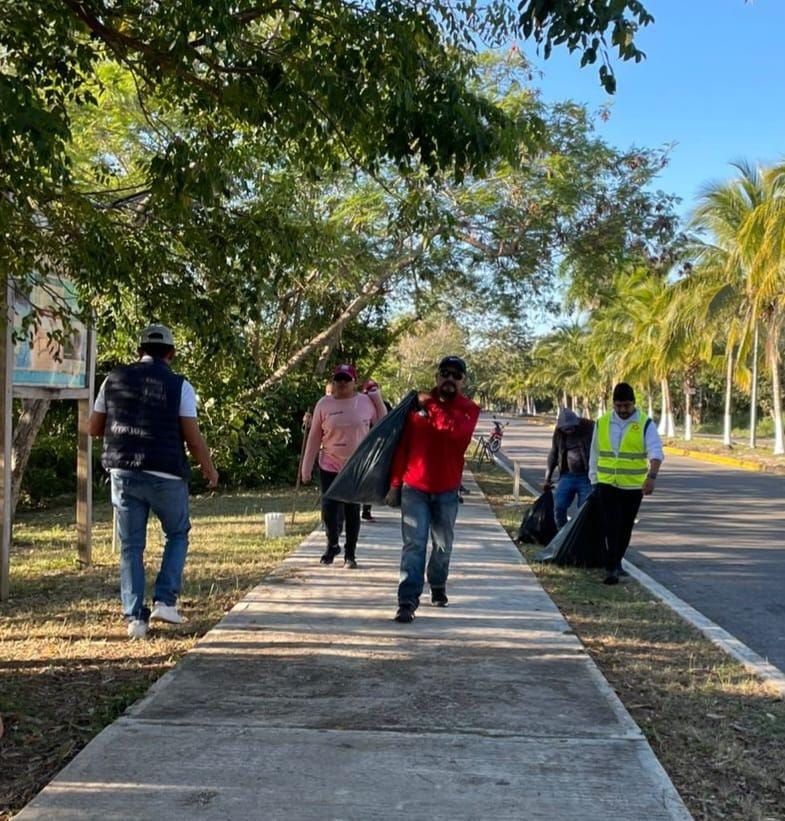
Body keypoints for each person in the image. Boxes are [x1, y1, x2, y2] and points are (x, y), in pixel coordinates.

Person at [88, 324, 218, 640]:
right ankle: (165, 600)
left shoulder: (112, 379)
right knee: (177, 532)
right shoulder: (180, 386)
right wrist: (209, 469)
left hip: (123, 472)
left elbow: (93, 427)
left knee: (131, 546)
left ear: (139, 351)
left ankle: (134, 619)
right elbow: (192, 435)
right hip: (166, 473)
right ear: (171, 354)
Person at [386, 355, 480, 623]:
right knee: (414, 545)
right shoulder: (416, 408)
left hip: (447, 491)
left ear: (463, 381)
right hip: (414, 488)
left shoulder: (469, 410)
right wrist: (395, 485)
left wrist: (429, 404)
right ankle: (407, 601)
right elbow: (402, 447)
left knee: (442, 545)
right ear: (437, 376)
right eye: (445, 373)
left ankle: (437, 584)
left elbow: (450, 431)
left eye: (456, 375)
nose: (449, 379)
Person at [302, 364, 387, 568]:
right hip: (329, 462)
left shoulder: (365, 402)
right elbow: (314, 437)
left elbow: (383, 423)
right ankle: (332, 544)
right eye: (337, 379)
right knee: (329, 509)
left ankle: (350, 554)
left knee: (351, 509)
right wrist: (306, 467)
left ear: (354, 382)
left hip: (356, 465)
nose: (341, 383)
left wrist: (377, 398)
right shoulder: (324, 404)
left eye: (345, 380)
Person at [589, 382, 663, 586]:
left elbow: (656, 451)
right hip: (606, 484)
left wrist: (652, 477)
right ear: (613, 404)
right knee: (610, 525)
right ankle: (611, 567)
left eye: (626, 406)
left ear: (634, 403)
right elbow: (594, 453)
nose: (622, 410)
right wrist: (593, 479)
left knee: (624, 527)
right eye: (618, 406)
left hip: (632, 487)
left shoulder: (645, 424)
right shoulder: (602, 422)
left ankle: (615, 561)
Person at [543, 408, 594, 528]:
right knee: (559, 507)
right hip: (567, 475)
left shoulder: (589, 427)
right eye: (566, 429)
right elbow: (554, 454)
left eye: (571, 427)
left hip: (586, 477)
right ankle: (562, 535)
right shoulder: (559, 433)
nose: (569, 430)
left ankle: (578, 538)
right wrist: (547, 478)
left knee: (583, 511)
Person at [359, 379, 392, 523]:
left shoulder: (385, 406)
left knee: (371, 479)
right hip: (360, 447)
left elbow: (390, 422)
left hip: (377, 447)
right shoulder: (358, 404)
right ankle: (351, 509)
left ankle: (366, 509)